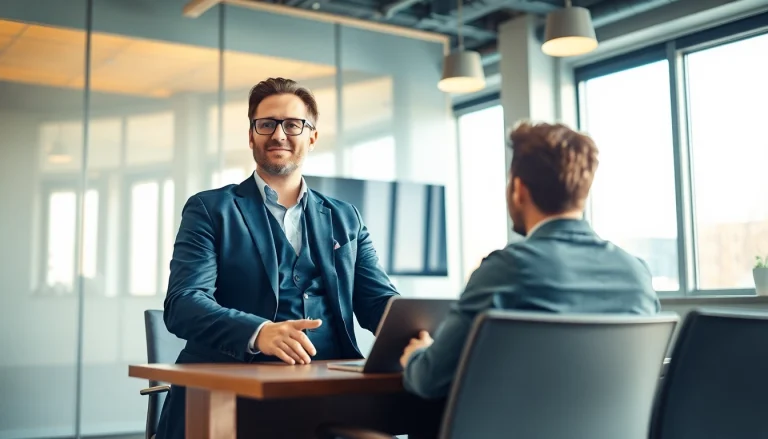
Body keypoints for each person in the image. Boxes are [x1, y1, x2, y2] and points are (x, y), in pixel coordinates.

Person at [155, 77, 399, 439]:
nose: (279, 134)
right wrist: (258, 332)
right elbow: (183, 303)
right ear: (251, 135)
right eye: (266, 124)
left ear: (312, 136)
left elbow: (377, 301)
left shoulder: (346, 217)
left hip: (333, 392)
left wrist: (417, 334)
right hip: (233, 393)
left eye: (293, 124)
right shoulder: (210, 209)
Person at [399, 121, 660, 399]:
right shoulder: (637, 275)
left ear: (519, 189)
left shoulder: (508, 269)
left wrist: (418, 355)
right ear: (582, 192)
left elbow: (430, 378)